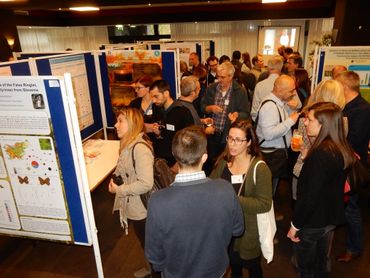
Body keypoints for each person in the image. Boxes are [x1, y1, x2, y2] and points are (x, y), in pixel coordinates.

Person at [145, 126, 244, 277]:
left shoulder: (158, 201)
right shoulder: (225, 189)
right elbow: (238, 230)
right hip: (216, 270)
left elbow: (154, 255)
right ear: (204, 157)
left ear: (175, 155)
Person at [287, 102, 356, 277]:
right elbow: (328, 181)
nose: (305, 123)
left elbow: (310, 195)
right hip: (330, 217)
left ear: (323, 124)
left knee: (305, 267)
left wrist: (295, 225)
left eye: (309, 119)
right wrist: (307, 157)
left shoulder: (321, 153)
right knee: (322, 263)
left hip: (313, 221)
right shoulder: (341, 146)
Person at [210, 120, 272, 278]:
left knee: (252, 267)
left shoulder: (259, 168)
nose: (232, 144)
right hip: (225, 228)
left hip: (248, 231)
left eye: (238, 140)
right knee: (234, 266)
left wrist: (232, 199)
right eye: (230, 138)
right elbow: (211, 186)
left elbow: (264, 204)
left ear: (249, 142)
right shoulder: (224, 162)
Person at [108, 107, 154, 278]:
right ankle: (150, 268)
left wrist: (120, 190)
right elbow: (124, 168)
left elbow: (146, 183)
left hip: (142, 208)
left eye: (120, 121)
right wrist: (116, 178)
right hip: (134, 205)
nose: (116, 125)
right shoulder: (128, 144)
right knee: (146, 243)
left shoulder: (139, 148)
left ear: (132, 123)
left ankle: (155, 272)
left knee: (149, 244)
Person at [335, 71, 370, 263]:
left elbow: (353, 141)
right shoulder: (347, 106)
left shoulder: (363, 110)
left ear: (345, 88)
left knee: (352, 209)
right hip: (344, 164)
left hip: (352, 168)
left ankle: (354, 248)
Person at [292, 79, 346, 201]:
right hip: (333, 175)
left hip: (304, 169)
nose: (307, 123)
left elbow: (299, 146)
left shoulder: (304, 119)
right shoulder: (343, 121)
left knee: (302, 202)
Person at [201, 61, 250, 173]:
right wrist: (210, 108)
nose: (219, 80)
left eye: (223, 77)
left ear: (231, 76)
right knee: (210, 163)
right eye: (218, 77)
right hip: (211, 134)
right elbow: (202, 107)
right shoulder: (212, 88)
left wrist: (237, 115)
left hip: (228, 135)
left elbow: (246, 113)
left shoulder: (240, 91)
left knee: (225, 164)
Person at [255, 75, 300, 195]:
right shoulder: (270, 106)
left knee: (271, 188)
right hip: (271, 155)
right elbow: (269, 134)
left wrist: (290, 112)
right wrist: (291, 120)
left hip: (275, 154)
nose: (294, 93)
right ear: (280, 90)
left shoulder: (278, 103)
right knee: (268, 191)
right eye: (291, 90)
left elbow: (280, 122)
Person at [129, 75, 162, 142]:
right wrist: (144, 126)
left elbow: (161, 124)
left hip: (155, 141)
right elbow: (130, 122)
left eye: (139, 88)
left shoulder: (157, 103)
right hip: (137, 140)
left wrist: (154, 127)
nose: (136, 91)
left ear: (148, 88)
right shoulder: (134, 103)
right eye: (135, 88)